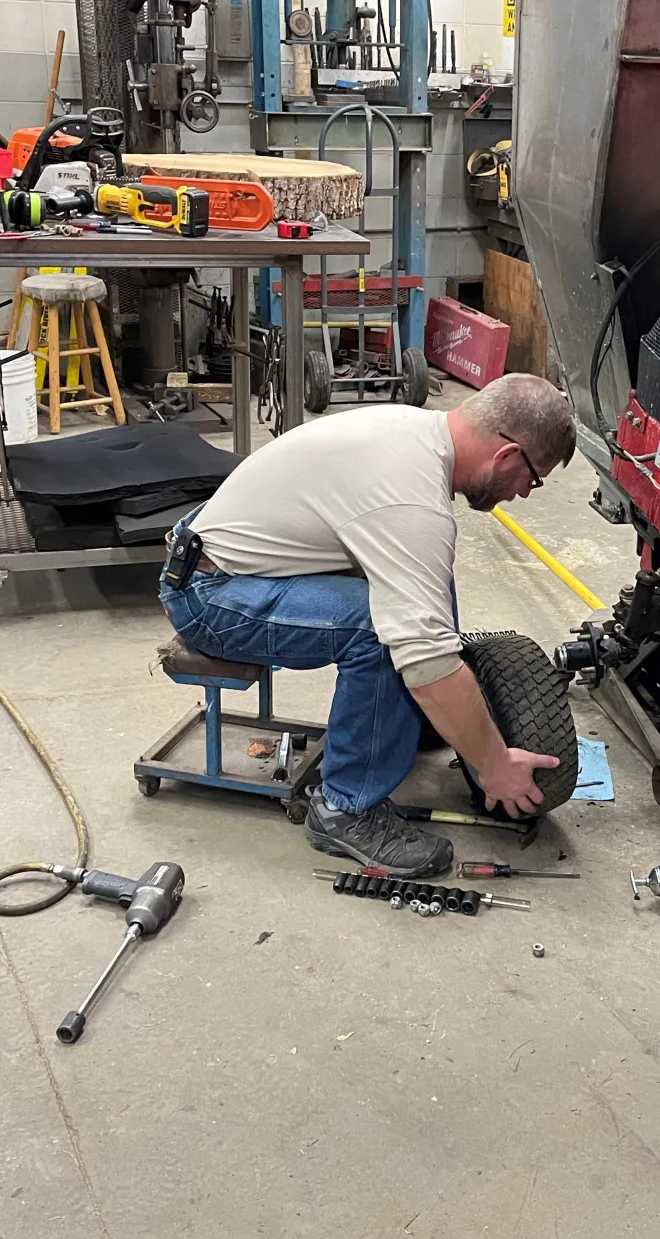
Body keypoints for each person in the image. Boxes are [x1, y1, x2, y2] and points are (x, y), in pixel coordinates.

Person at [159, 372, 576, 878]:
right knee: (383, 628)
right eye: (535, 478)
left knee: (421, 584)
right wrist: (495, 767)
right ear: (507, 456)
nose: (527, 494)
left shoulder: (420, 437)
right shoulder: (409, 496)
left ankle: (408, 723)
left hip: (242, 562)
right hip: (213, 597)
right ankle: (345, 809)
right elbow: (427, 658)